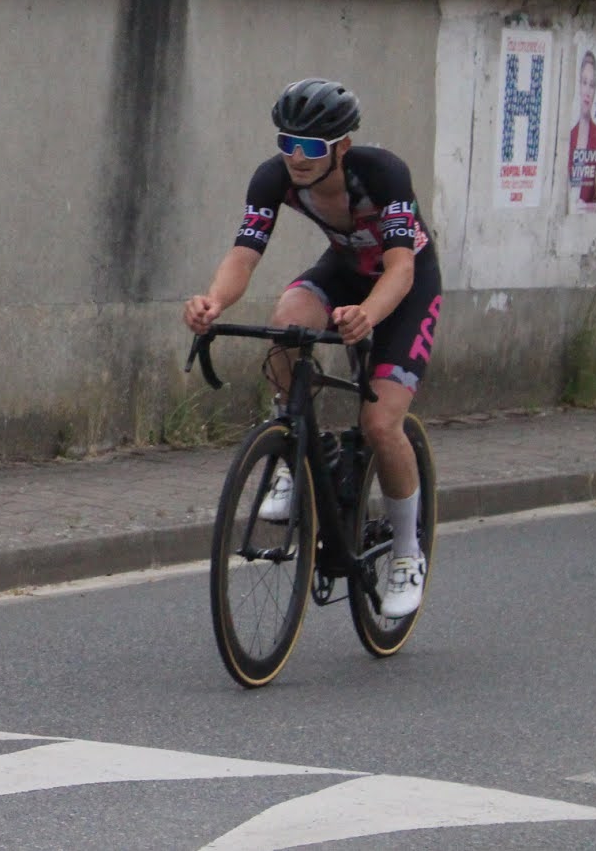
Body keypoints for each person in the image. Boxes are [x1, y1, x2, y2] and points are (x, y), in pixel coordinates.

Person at [184, 78, 441, 618]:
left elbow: (400, 269)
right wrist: (213, 302)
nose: (296, 158)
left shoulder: (383, 174)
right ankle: (297, 448)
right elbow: (244, 254)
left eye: (310, 147)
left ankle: (406, 553)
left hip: (404, 285)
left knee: (380, 424)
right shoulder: (273, 177)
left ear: (341, 146)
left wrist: (368, 315)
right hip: (344, 270)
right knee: (287, 323)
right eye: (287, 143)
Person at [570, 48, 596, 211]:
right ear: (578, 85)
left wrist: (586, 207)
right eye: (584, 82)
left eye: (592, 85)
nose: (587, 91)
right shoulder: (569, 136)